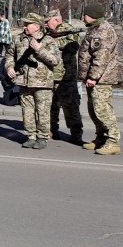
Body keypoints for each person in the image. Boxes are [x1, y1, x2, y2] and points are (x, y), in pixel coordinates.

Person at [5, 13, 60, 149]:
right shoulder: (19, 39)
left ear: (37, 26)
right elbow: (10, 55)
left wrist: (40, 50)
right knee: (27, 111)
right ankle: (30, 136)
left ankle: (42, 137)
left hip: (42, 83)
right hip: (24, 82)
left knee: (42, 112)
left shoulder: (48, 40)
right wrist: (9, 67)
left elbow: (55, 60)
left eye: (27, 24)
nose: (24, 27)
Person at [78, 3, 121, 155]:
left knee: (102, 110)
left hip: (101, 79)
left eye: (85, 14)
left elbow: (101, 57)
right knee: (94, 110)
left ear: (92, 15)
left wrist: (93, 77)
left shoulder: (103, 31)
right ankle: (101, 138)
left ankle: (113, 141)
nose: (83, 17)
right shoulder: (95, 29)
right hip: (94, 79)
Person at [44, 9, 83, 145]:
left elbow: (73, 47)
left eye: (47, 22)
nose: (45, 25)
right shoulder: (47, 32)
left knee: (71, 107)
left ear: (56, 20)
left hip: (66, 76)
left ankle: (76, 133)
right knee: (50, 106)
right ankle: (51, 130)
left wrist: (52, 43)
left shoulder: (69, 31)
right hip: (50, 75)